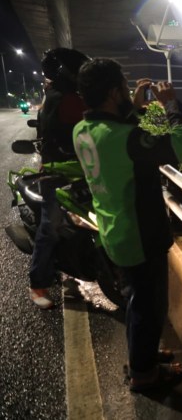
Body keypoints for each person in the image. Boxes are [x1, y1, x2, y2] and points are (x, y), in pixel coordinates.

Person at [73, 58, 182, 392]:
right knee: (149, 307)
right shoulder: (125, 138)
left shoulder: (82, 131)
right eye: (124, 88)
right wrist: (171, 102)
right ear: (114, 93)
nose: (129, 93)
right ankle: (144, 375)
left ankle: (141, 356)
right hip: (140, 235)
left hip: (114, 231)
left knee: (134, 301)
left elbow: (117, 137)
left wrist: (135, 108)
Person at [28, 47, 89, 309]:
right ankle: (37, 284)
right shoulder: (59, 99)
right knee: (50, 227)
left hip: (78, 169)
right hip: (57, 172)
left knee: (80, 222)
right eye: (78, 70)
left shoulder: (69, 96)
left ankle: (77, 266)